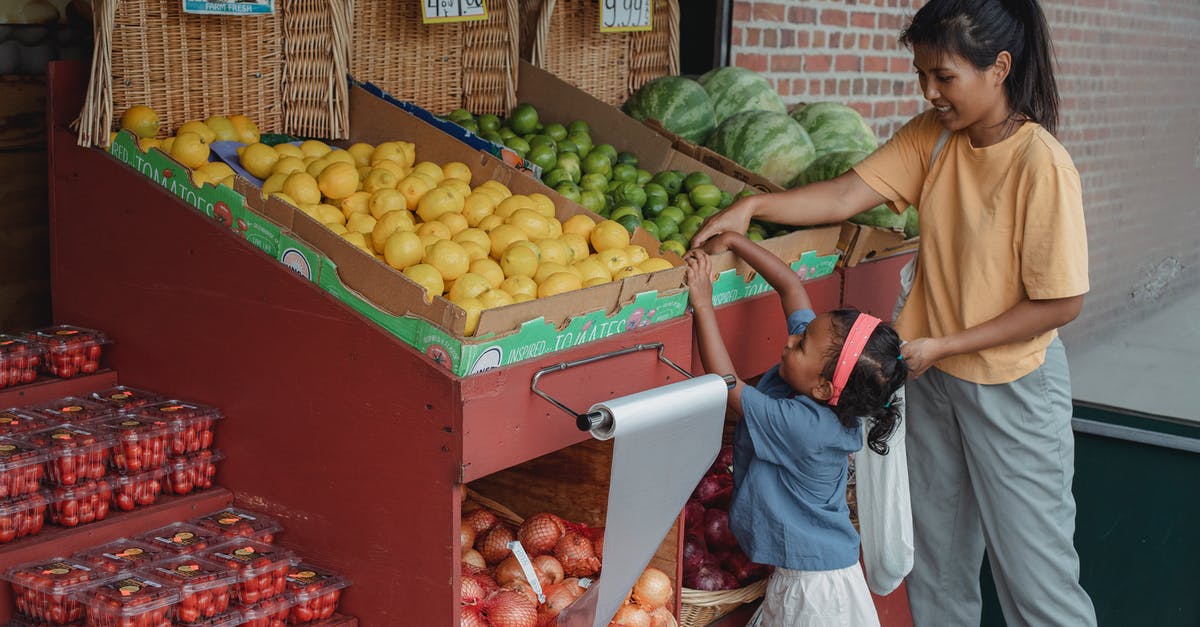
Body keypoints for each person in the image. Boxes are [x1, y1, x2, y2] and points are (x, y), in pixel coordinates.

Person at [691, 0, 1096, 624]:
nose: (930, 92)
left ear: (1000, 68)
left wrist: (946, 343)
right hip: (932, 382)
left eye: (945, 77)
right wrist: (752, 209)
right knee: (934, 568)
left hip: (1013, 388)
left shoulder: (1040, 164)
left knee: (1036, 581)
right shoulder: (934, 138)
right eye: (922, 75)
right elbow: (850, 193)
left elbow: (1061, 301)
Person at [685, 231, 907, 626]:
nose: (791, 339)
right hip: (809, 576)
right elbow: (790, 285)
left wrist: (703, 302)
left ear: (824, 387)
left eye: (801, 343)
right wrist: (737, 240)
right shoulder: (820, 375)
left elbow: (728, 385)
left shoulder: (804, 424)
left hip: (814, 594)